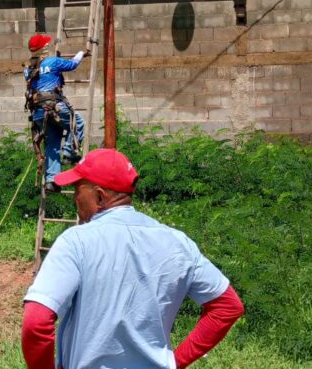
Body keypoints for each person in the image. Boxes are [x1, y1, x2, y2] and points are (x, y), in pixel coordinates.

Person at [21, 148, 245, 369]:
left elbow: (36, 322)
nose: (75, 199)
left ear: (100, 196)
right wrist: (176, 362)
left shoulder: (76, 241)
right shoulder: (178, 242)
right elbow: (227, 306)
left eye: (78, 190)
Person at [24, 33, 86, 194]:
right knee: (78, 122)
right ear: (44, 48)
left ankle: (51, 181)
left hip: (38, 114)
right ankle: (69, 153)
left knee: (51, 144)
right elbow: (73, 64)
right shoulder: (53, 61)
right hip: (54, 107)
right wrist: (81, 53)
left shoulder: (28, 69)